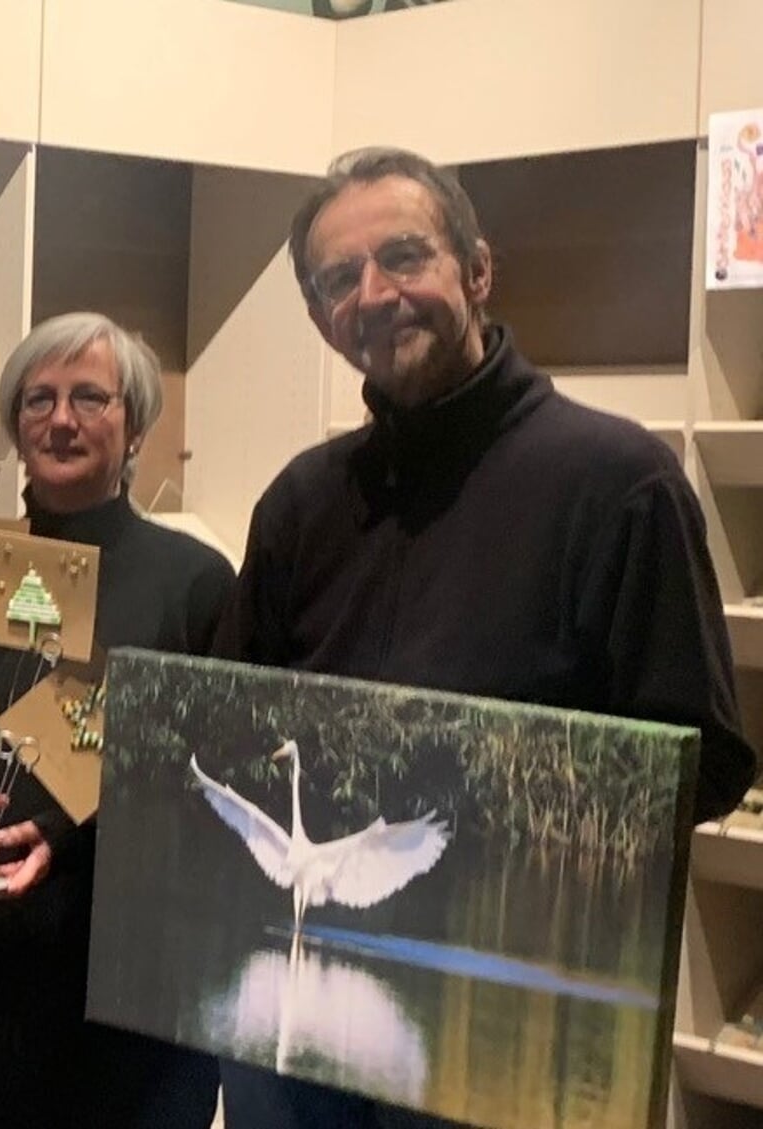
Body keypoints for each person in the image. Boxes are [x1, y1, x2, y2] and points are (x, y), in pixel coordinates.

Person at [214, 146, 758, 1129]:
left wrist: (488, 800)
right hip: (301, 1040)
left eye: (404, 257)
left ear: (476, 270)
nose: (374, 295)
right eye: (341, 279)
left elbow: (701, 761)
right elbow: (236, 726)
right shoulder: (301, 500)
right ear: (318, 318)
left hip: (503, 1039)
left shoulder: (616, 484)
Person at [0, 312, 233, 1129]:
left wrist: (74, 830)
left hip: (136, 995)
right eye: (39, 398)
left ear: (134, 424)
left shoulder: (194, 581)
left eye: (89, 397)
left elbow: (216, 776)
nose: (61, 419)